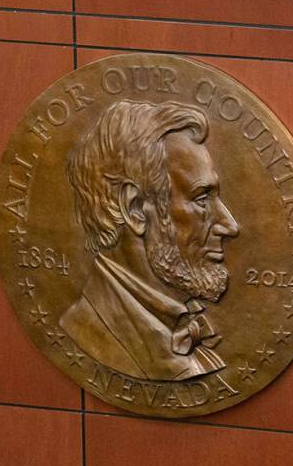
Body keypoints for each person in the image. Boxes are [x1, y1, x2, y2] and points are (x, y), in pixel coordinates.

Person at [60, 100, 240, 381]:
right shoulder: (89, 331)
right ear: (135, 210)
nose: (229, 225)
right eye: (202, 198)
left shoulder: (193, 342)